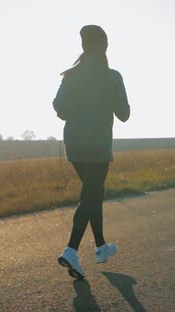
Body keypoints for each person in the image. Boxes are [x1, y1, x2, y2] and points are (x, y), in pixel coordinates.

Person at [52, 25, 130, 279]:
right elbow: (125, 115)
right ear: (105, 47)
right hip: (97, 144)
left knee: (93, 193)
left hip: (73, 144)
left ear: (83, 47)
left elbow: (59, 109)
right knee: (91, 196)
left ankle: (100, 247)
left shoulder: (71, 75)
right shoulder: (112, 76)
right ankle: (71, 250)